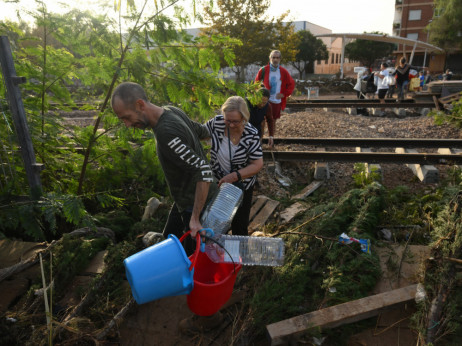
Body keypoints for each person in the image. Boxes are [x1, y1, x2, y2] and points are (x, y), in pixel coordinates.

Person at [111, 82, 217, 254]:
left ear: (140, 104)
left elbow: (204, 171)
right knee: (168, 245)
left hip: (195, 203)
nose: (127, 125)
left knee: (187, 261)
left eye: (127, 117)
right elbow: (202, 131)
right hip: (184, 199)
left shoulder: (165, 132)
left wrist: (195, 219)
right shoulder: (170, 110)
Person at [204, 96, 263, 236]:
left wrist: (235, 176)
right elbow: (197, 135)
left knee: (239, 225)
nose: (230, 125)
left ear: (244, 118)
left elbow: (257, 164)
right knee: (213, 222)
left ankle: (236, 255)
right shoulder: (216, 124)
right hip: (218, 183)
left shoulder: (251, 133)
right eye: (227, 120)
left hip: (241, 185)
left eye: (235, 121)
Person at [255, 50, 295, 135]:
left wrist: (284, 94)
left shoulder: (283, 71)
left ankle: (271, 139)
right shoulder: (263, 70)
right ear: (270, 58)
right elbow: (256, 84)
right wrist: (260, 93)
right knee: (261, 121)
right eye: (273, 57)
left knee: (273, 121)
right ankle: (260, 140)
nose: (275, 59)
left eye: (277, 57)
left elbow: (291, 84)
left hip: (276, 101)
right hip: (265, 100)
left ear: (280, 59)